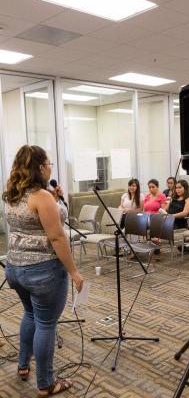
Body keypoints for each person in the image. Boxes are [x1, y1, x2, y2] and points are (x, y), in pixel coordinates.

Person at [3, 145, 83, 397]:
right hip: (43, 271)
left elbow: (39, 222)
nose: (51, 166)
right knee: (46, 324)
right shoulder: (42, 197)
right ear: (39, 167)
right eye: (49, 162)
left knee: (30, 315)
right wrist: (74, 272)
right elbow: (57, 237)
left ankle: (24, 365)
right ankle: (46, 383)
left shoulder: (13, 194)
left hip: (15, 269)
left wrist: (56, 198)